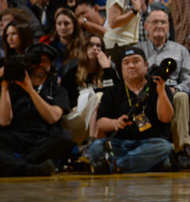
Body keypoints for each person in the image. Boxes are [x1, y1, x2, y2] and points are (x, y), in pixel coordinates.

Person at [85, 46, 174, 173]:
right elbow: (101, 123)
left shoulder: (159, 86)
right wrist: (115, 123)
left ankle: (117, 165)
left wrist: (161, 92)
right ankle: (142, 164)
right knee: (96, 147)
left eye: (136, 61)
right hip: (120, 144)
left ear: (146, 65)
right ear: (121, 69)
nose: (131, 66)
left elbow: (166, 118)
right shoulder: (112, 91)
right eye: (126, 63)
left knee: (164, 147)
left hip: (149, 143)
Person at [0, 43, 73, 176]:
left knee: (66, 137)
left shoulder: (57, 90)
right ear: (27, 65)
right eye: (35, 61)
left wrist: (30, 90)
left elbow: (53, 117)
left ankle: (17, 165)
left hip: (42, 140)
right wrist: (4, 85)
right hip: (15, 137)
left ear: (51, 65)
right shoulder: (11, 88)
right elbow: (4, 121)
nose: (39, 64)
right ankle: (31, 169)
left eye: (44, 61)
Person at [138, 9, 190, 170]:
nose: (159, 25)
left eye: (163, 22)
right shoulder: (138, 50)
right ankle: (141, 148)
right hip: (146, 93)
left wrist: (174, 89)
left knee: (182, 96)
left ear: (168, 26)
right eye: (155, 22)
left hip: (170, 92)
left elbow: (189, 79)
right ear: (146, 26)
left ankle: (181, 150)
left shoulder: (180, 50)